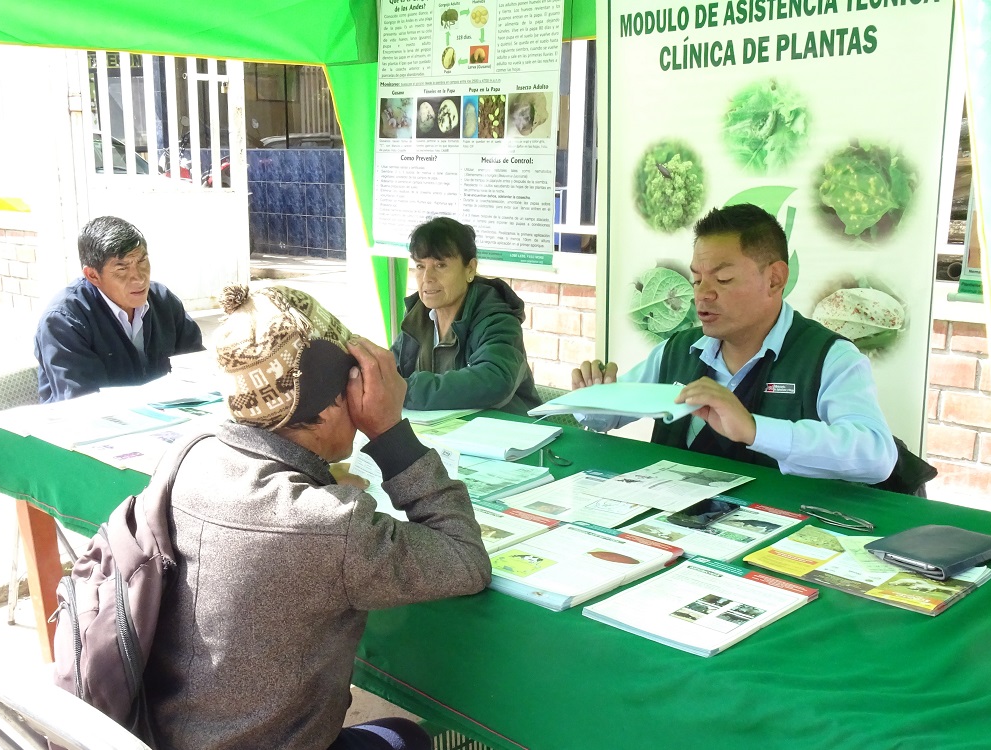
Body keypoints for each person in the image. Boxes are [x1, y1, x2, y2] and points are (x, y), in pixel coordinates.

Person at [145, 284, 491, 750]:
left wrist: (320, 480)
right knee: (405, 737)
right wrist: (390, 432)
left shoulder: (190, 455)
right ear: (329, 407)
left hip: (161, 734)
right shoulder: (327, 525)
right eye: (356, 386)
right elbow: (465, 559)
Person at [571, 203, 897, 484]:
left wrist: (755, 430)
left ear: (775, 279)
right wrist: (593, 398)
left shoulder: (829, 358)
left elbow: (877, 456)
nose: (703, 294)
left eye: (723, 279)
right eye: (697, 279)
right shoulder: (679, 350)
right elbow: (605, 418)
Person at [33, 216, 203, 402]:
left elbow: (199, 368)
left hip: (168, 411)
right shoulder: (64, 321)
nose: (139, 278)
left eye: (142, 261)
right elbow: (82, 403)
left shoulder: (162, 300)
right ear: (93, 275)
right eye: (122, 269)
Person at [391, 216, 540, 415]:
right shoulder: (417, 317)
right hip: (444, 431)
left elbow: (495, 379)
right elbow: (389, 371)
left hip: (509, 429)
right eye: (420, 266)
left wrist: (406, 390)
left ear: (470, 269)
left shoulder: (497, 318)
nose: (427, 278)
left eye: (440, 265)